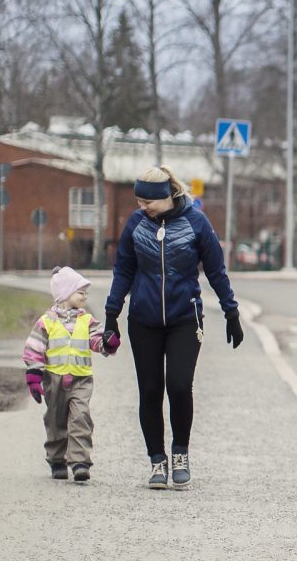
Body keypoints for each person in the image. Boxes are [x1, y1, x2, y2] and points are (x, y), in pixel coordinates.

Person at [104, 165, 243, 490]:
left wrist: (231, 312)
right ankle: (157, 460)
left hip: (184, 318)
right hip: (143, 320)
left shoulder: (196, 222)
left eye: (147, 202)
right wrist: (112, 314)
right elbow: (123, 270)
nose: (142, 207)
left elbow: (216, 270)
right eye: (138, 201)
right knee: (150, 391)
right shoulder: (137, 225)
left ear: (166, 196)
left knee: (179, 386)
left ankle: (180, 452)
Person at [22, 266, 119, 482]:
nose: (85, 296)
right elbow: (34, 347)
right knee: (55, 420)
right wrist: (34, 376)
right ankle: (57, 459)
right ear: (64, 294)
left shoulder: (87, 320)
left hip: (81, 379)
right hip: (53, 379)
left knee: (81, 417)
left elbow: (96, 339)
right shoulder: (46, 322)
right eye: (80, 292)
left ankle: (79, 462)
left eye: (86, 292)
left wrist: (107, 344)